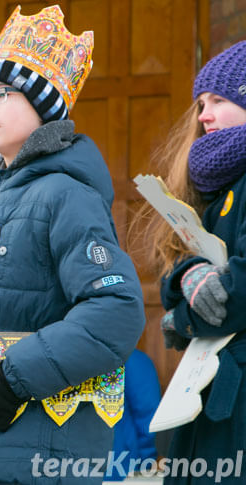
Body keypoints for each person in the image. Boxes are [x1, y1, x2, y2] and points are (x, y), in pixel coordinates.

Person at [0, 6, 146, 484]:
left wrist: (12, 377)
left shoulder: (67, 195)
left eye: (1, 93)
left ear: (43, 105)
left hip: (38, 459)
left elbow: (117, 309)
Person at [143, 40, 246, 484]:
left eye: (219, 101)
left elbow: (234, 296)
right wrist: (190, 277)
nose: (203, 115)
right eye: (201, 103)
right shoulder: (219, 188)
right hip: (212, 393)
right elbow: (178, 268)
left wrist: (183, 318)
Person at [105, 349, 160, 481]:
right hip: (120, 468)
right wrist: (146, 460)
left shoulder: (61, 357)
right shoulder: (131, 358)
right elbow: (148, 416)